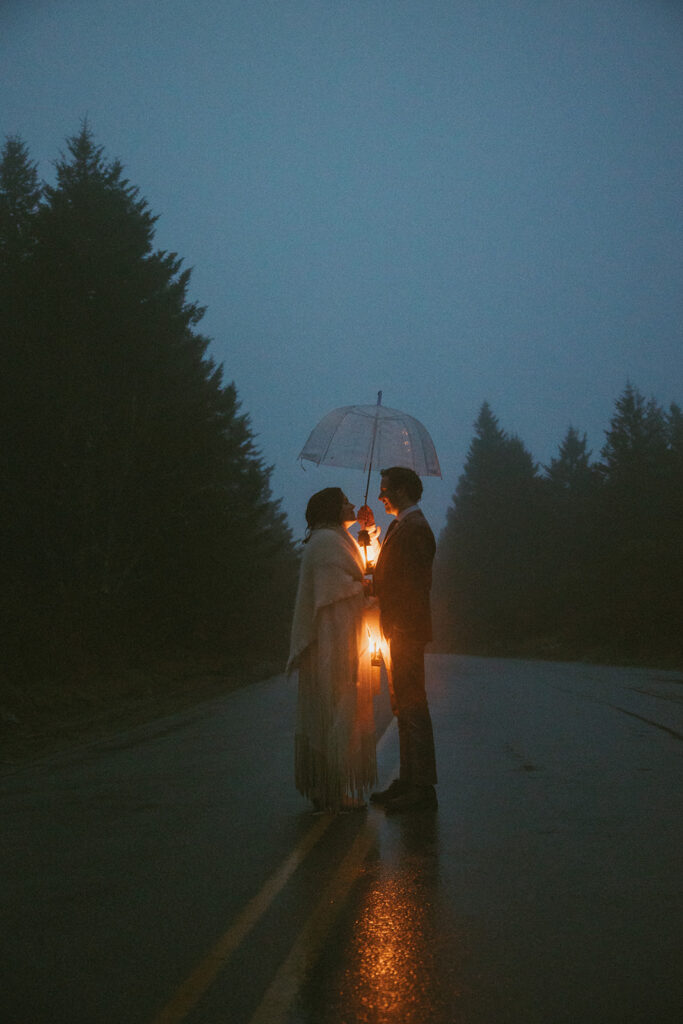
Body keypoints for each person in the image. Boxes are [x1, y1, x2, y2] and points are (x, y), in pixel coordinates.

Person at [287, 487, 378, 813]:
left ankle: (327, 787)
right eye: (346, 502)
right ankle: (331, 789)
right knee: (337, 711)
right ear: (333, 509)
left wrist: (367, 530)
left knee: (336, 711)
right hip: (332, 642)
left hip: (338, 638)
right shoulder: (327, 543)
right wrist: (364, 587)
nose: (353, 504)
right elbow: (333, 589)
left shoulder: (334, 537)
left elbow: (357, 564)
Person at [358, 466, 438, 813]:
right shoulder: (401, 526)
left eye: (385, 489)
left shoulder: (416, 528)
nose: (380, 495)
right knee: (401, 706)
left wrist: (398, 623)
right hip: (397, 630)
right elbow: (393, 573)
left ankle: (422, 788)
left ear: (402, 490)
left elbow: (415, 584)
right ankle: (408, 780)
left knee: (413, 705)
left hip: (405, 630)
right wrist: (370, 534)